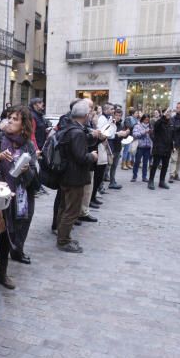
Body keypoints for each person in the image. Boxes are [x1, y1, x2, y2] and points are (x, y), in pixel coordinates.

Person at [0, 105, 39, 284]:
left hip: (18, 195)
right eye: (9, 117)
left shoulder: (28, 145)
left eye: (15, 119)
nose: (10, 121)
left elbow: (32, 175)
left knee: (6, 236)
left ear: (24, 124)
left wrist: (25, 170)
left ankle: (2, 273)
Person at [57, 100, 98, 253]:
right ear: (86, 115)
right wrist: (92, 156)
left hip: (66, 175)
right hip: (74, 177)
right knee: (72, 210)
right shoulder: (77, 132)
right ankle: (63, 241)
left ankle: (63, 236)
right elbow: (81, 157)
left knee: (64, 207)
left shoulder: (68, 127)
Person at [148, 109, 174, 190]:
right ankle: (151, 181)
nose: (168, 115)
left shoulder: (171, 123)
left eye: (169, 113)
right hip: (159, 147)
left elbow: (172, 135)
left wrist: (173, 146)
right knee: (155, 165)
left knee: (165, 166)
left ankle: (161, 181)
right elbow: (156, 126)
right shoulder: (159, 122)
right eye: (167, 113)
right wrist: (163, 115)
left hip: (167, 148)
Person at [108, 107, 129, 189]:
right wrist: (118, 134)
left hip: (117, 148)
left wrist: (126, 134)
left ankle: (112, 181)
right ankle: (101, 185)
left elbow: (123, 137)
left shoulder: (121, 124)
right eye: (116, 115)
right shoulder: (111, 123)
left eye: (119, 115)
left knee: (114, 166)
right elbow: (109, 135)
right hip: (110, 148)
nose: (118, 117)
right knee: (107, 167)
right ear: (114, 115)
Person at [131, 114, 152, 183]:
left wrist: (152, 133)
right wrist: (144, 132)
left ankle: (144, 177)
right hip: (140, 146)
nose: (147, 121)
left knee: (146, 163)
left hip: (148, 147)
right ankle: (134, 176)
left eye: (148, 120)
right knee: (137, 162)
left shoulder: (150, 126)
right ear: (142, 119)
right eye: (146, 119)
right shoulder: (137, 126)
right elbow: (135, 134)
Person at [170, 101, 180, 182]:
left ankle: (176, 174)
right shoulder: (174, 118)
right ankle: (171, 175)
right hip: (175, 142)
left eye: (178, 107)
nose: (176, 108)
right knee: (173, 159)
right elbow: (173, 129)